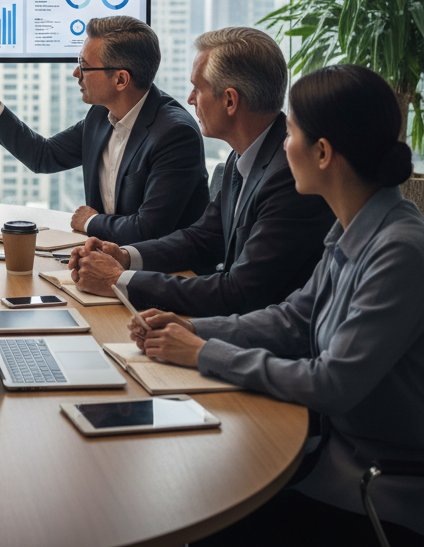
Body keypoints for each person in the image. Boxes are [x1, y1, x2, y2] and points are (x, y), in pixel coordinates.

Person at [129, 65, 424, 546]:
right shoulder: (355, 226)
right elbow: (294, 319)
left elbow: (331, 383)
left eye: (290, 133)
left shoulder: (399, 249)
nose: (283, 148)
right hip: (332, 457)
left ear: (323, 153)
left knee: (201, 517)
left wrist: (201, 353)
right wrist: (191, 327)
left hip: (376, 487)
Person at [71, 27, 334, 314]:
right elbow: (204, 238)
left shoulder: (288, 176)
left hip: (262, 342)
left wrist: (118, 280)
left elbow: (239, 291)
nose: (190, 98)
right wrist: (124, 256)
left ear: (230, 101)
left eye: (198, 88)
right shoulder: (243, 156)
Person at [0, 15, 207, 242]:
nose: (76, 73)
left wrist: (90, 221)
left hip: (163, 276)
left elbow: (149, 230)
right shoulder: (100, 115)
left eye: (85, 66)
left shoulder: (174, 135)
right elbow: (43, 156)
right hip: (106, 260)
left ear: (121, 79)